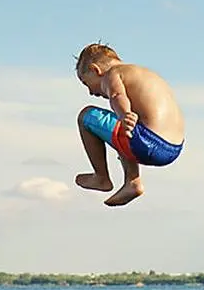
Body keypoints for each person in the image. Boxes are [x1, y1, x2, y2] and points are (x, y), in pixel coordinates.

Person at [72, 43, 185, 206]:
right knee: (122, 128)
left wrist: (124, 114)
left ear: (95, 70)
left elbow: (117, 95)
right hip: (173, 148)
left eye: (85, 83)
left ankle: (101, 177)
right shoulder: (144, 74)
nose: (90, 92)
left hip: (147, 143)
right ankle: (132, 183)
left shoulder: (113, 74)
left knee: (86, 116)